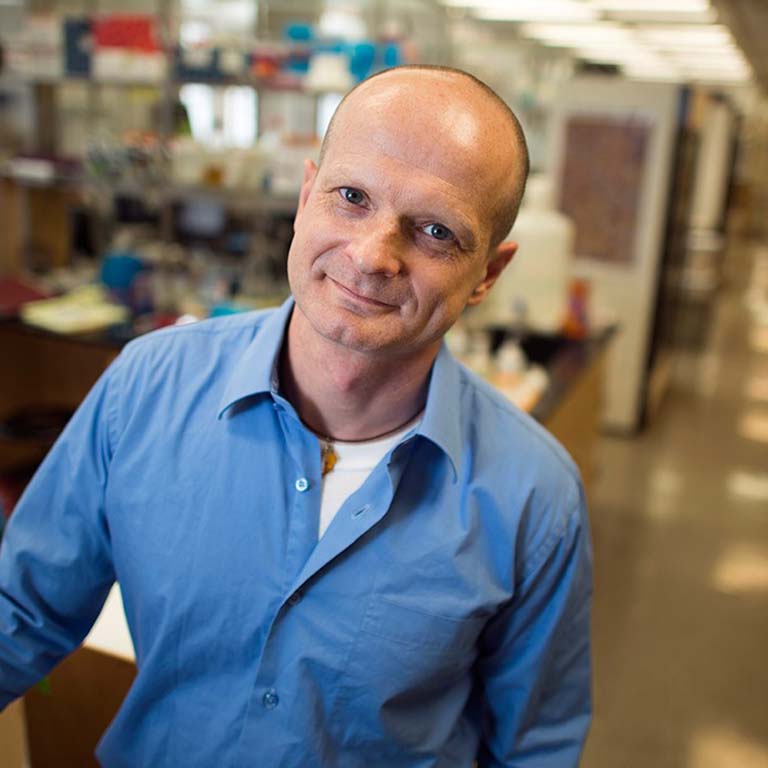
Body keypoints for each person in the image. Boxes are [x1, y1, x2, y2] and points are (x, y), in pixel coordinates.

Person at [0, 66, 592, 766]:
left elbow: (534, 749)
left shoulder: (533, 498)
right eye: (351, 197)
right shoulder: (147, 388)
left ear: (488, 275)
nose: (373, 256)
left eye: (435, 232)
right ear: (307, 194)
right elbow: (20, 614)